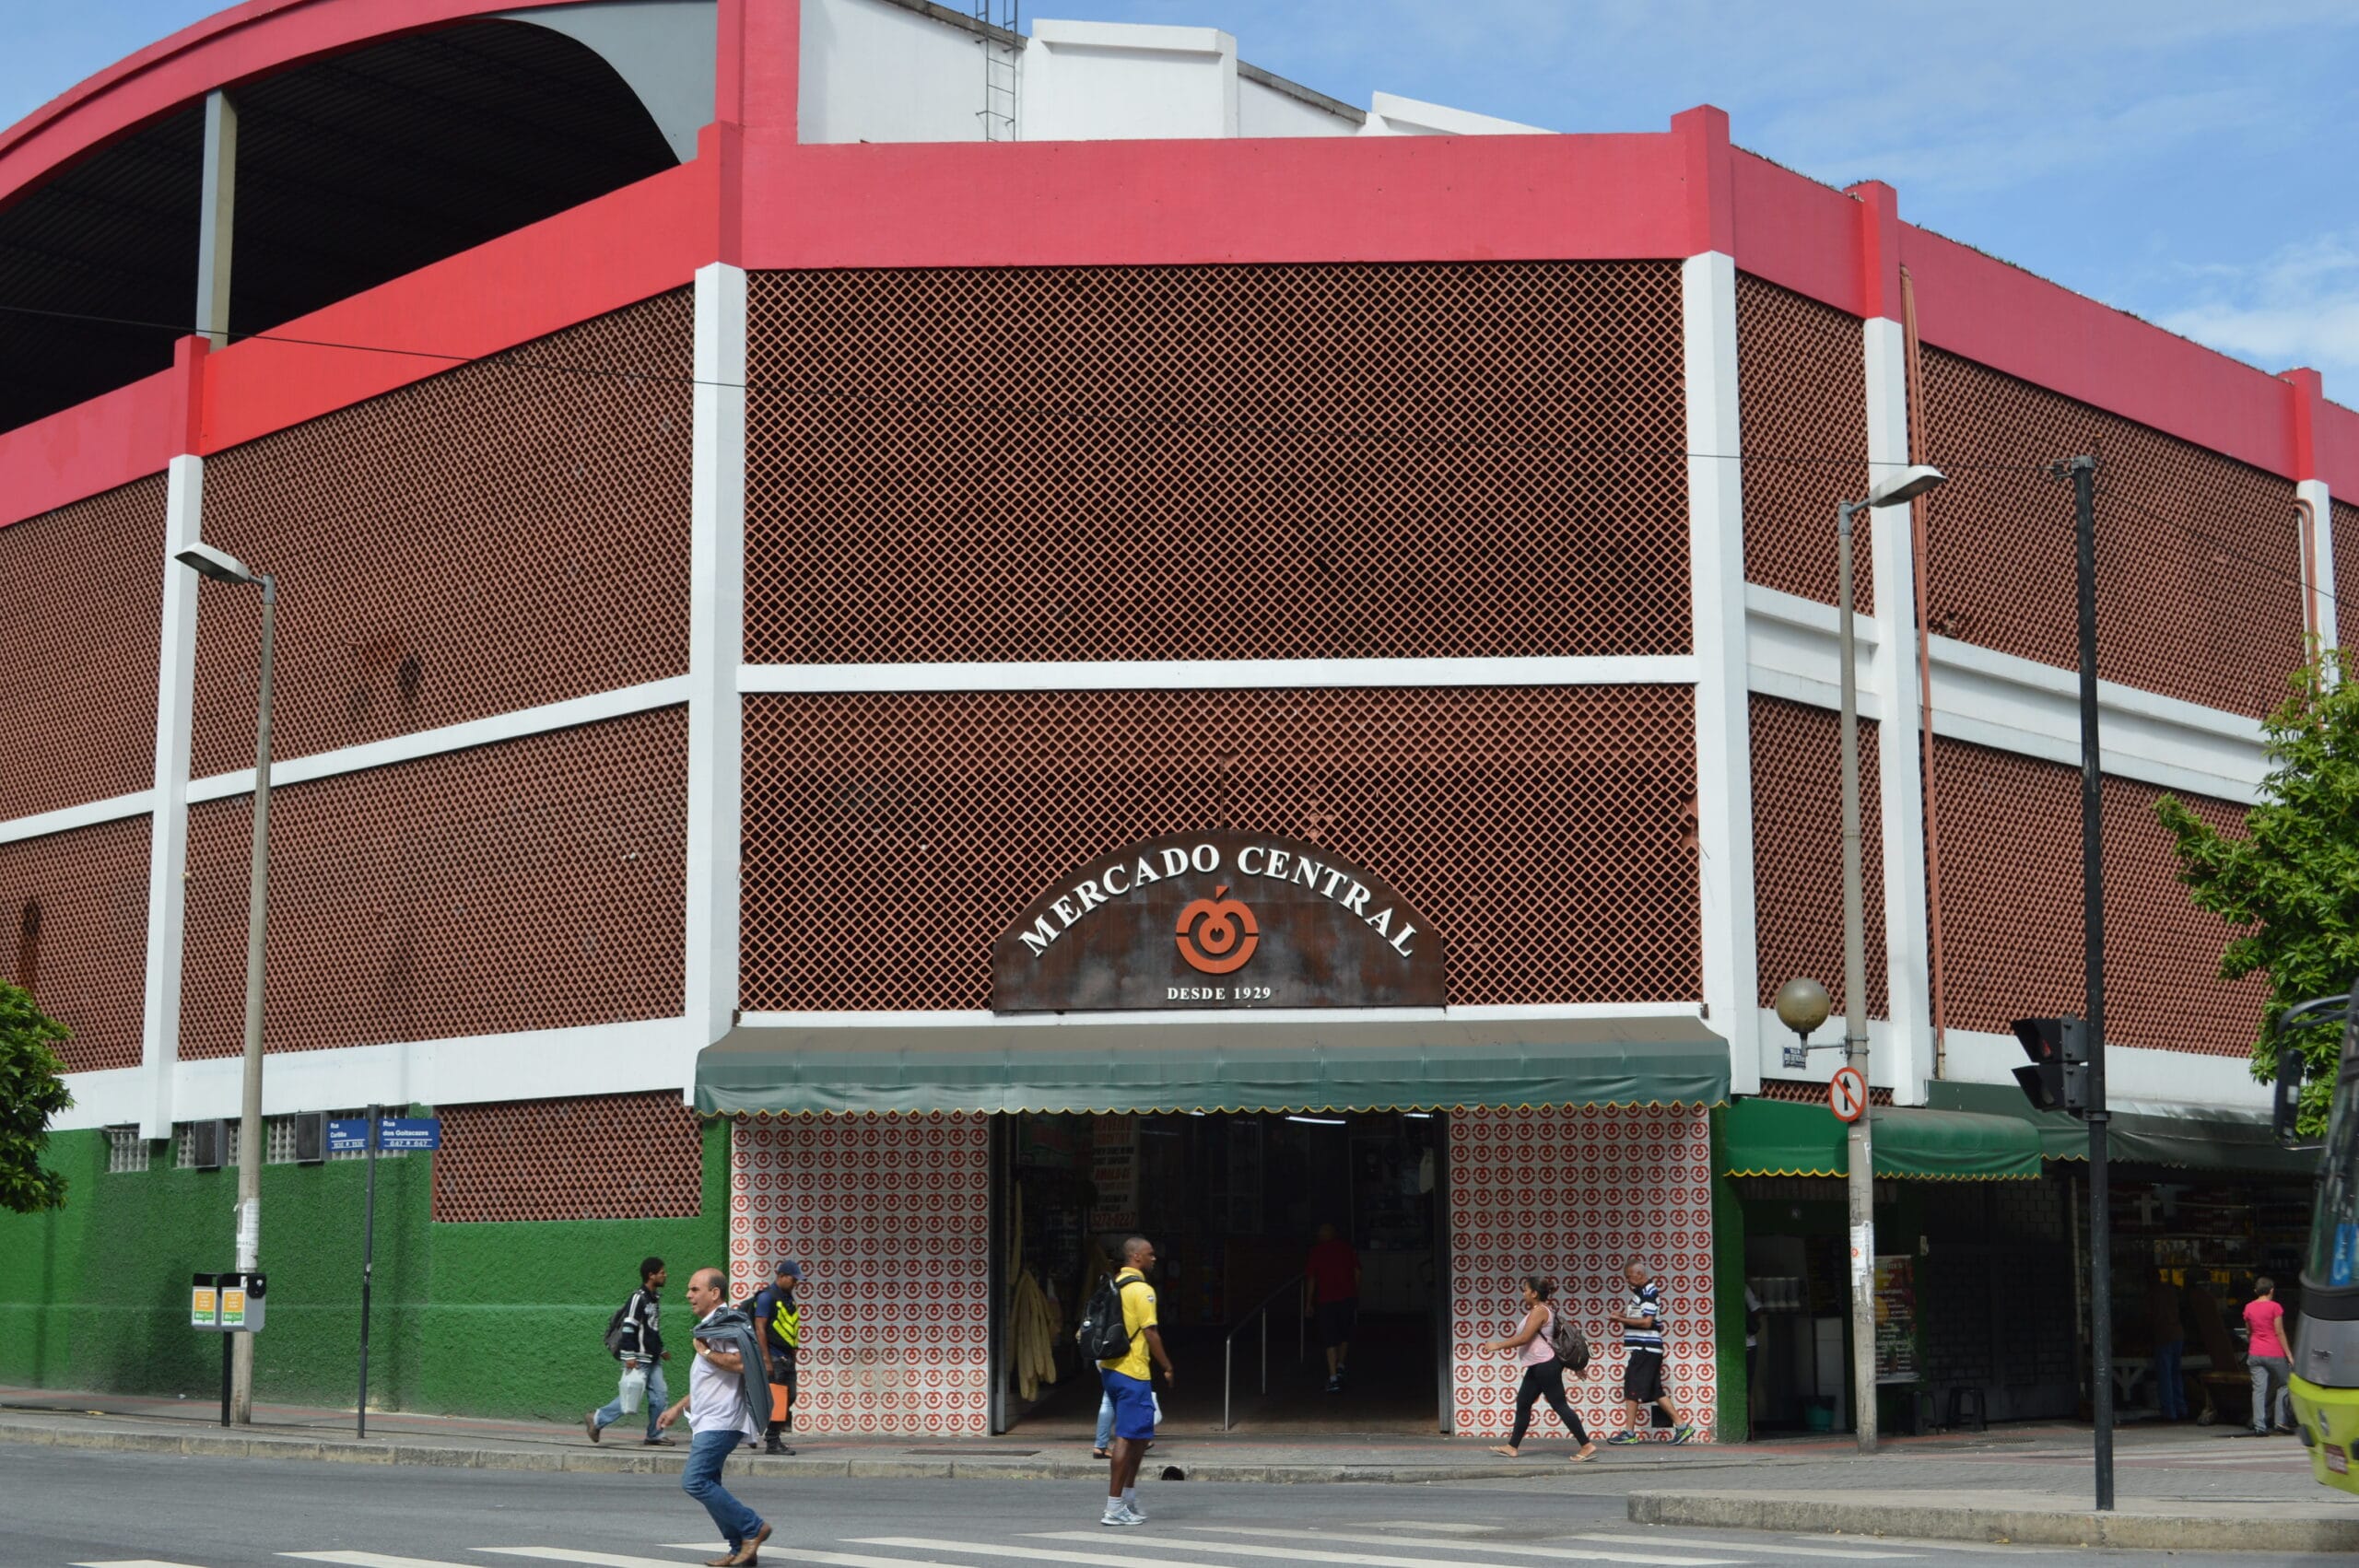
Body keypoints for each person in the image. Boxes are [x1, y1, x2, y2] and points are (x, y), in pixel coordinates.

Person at [656, 1268, 772, 1566]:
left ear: (714, 1293)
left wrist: (706, 1354)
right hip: (709, 1419)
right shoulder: (713, 1328)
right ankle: (740, 1550)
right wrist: (677, 1409)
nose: (688, 1295)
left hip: (722, 1421)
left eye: (695, 1290)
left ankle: (752, 1527)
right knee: (710, 1483)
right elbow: (709, 1383)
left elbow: (741, 1363)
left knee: (694, 1481)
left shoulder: (725, 1324)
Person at [1097, 1235, 1175, 1527]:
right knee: (1127, 1438)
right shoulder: (1142, 1290)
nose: (1154, 1258)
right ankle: (1114, 1507)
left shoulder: (1113, 1283)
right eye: (1150, 1254)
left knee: (1141, 1436)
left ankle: (1127, 1499)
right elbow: (1151, 1332)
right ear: (1136, 1257)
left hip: (1111, 1369)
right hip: (1132, 1372)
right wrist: (1167, 1366)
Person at [1480, 1275, 1595, 1463]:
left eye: (1525, 1290)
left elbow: (1525, 1338)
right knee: (1523, 1402)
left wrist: (1498, 1345)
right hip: (1539, 1365)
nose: (1523, 1293)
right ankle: (1512, 1447)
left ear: (1534, 1293)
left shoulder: (1540, 1311)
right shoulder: (1543, 1310)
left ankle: (1586, 1445)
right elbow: (1556, 1341)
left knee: (1559, 1405)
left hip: (1545, 1365)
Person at [1605, 1259, 1695, 1445]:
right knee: (1655, 1391)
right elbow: (1641, 1317)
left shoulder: (1648, 1292)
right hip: (1648, 1349)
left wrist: (1621, 1320)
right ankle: (1682, 1427)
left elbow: (1646, 1322)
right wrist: (1622, 1316)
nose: (1628, 1281)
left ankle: (1629, 1433)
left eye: (1629, 1277)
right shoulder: (1642, 1293)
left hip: (1645, 1349)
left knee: (1631, 1386)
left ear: (1639, 1274)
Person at [587, 1257, 672, 1446]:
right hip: (638, 1358)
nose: (665, 1276)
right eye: (662, 1273)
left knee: (660, 1396)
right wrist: (629, 1355)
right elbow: (628, 1327)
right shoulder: (638, 1298)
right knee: (629, 1397)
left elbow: (651, 1328)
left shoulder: (654, 1299)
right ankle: (597, 1419)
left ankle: (655, 1435)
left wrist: (661, 1349)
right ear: (651, 1275)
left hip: (653, 1357)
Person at [746, 1259, 803, 1456]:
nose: (796, 1283)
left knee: (791, 1396)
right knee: (778, 1400)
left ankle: (770, 1436)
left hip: (787, 1358)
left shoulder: (788, 1298)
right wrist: (766, 1359)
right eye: (793, 1279)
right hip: (775, 1357)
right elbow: (760, 1329)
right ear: (781, 1276)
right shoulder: (766, 1298)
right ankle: (772, 1442)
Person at [1304, 1221, 1360, 1394]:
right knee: (1345, 1334)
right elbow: (1357, 1271)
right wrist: (1355, 1292)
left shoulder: (1316, 1252)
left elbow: (1312, 1278)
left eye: (1321, 1232)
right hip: (1347, 1298)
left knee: (1329, 1339)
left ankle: (1333, 1377)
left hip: (1326, 1300)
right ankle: (1341, 1365)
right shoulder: (1346, 1249)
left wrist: (1308, 1303)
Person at [2245, 1276, 2295, 1435]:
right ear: (2272, 1290)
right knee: (2284, 1384)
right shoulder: (2275, 1307)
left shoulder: (2248, 1308)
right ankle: (2280, 1422)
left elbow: (2248, 1331)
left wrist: (2253, 1342)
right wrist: (2289, 1355)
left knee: (2259, 1390)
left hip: (2255, 1353)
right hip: (2274, 1352)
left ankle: (2259, 1426)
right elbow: (2279, 1332)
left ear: (2255, 1291)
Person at [2147, 1271, 2188, 1422]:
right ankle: (2181, 1407)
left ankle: (2169, 1411)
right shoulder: (2170, 1291)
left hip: (2163, 1335)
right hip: (2177, 1333)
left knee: (2165, 1374)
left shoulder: (2153, 1294)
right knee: (2175, 1372)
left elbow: (2152, 1316)